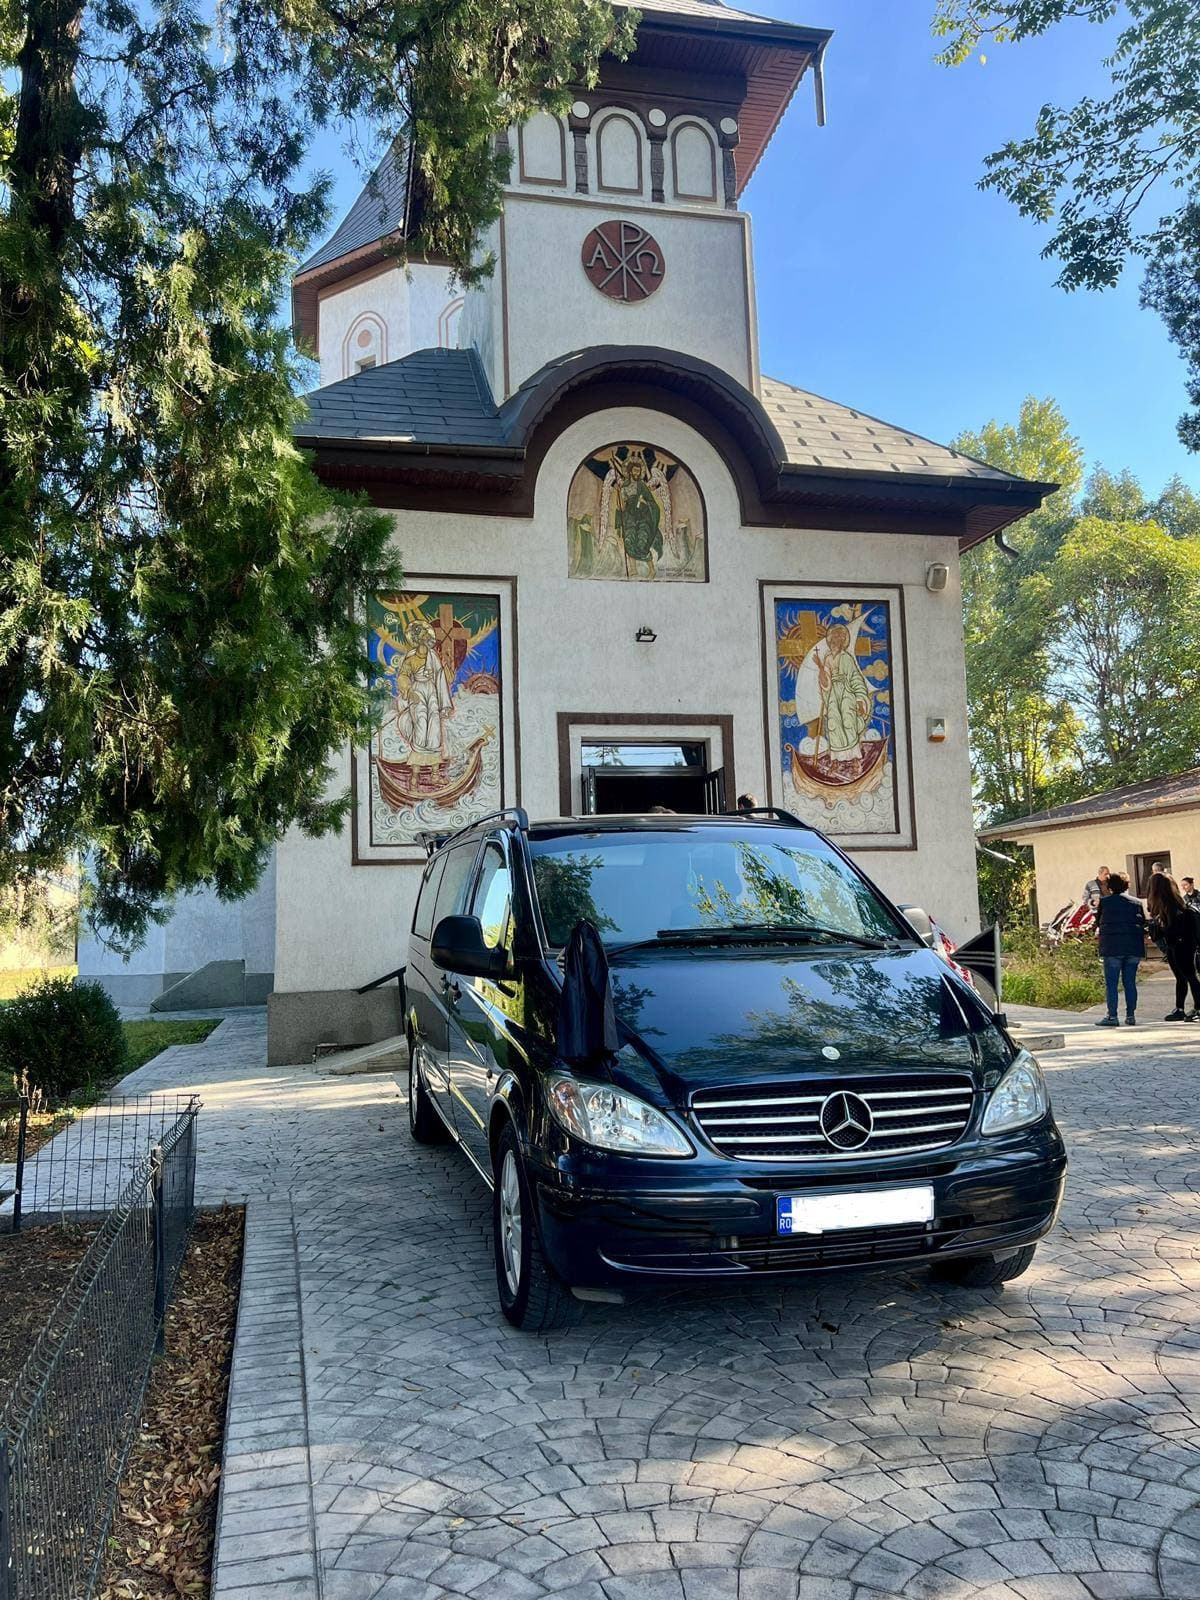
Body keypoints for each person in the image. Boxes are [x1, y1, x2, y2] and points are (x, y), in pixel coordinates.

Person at [1093, 871, 1146, 1027]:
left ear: (1109, 887)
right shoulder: (1136, 903)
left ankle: (1112, 1016)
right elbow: (1142, 922)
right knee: (1130, 982)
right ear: (1126, 885)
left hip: (1112, 947)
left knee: (1112, 983)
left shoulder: (1105, 902)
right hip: (1133, 947)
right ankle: (1130, 1016)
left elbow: (1098, 922)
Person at [1145, 873, 1200, 1021]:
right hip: (1178, 944)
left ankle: (1195, 1007)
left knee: (1188, 976)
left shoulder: (1168, 906)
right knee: (1183, 977)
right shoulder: (1175, 903)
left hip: (1179, 944)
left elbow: (1168, 929)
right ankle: (1181, 1008)